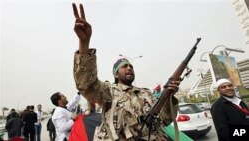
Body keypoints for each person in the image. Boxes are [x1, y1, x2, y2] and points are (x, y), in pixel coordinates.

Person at [71, 3, 180, 140]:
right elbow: (85, 84)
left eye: (131, 66)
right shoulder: (108, 92)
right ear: (116, 74)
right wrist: (84, 43)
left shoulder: (146, 93)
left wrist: (170, 96)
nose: (129, 68)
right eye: (124, 66)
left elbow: (165, 119)